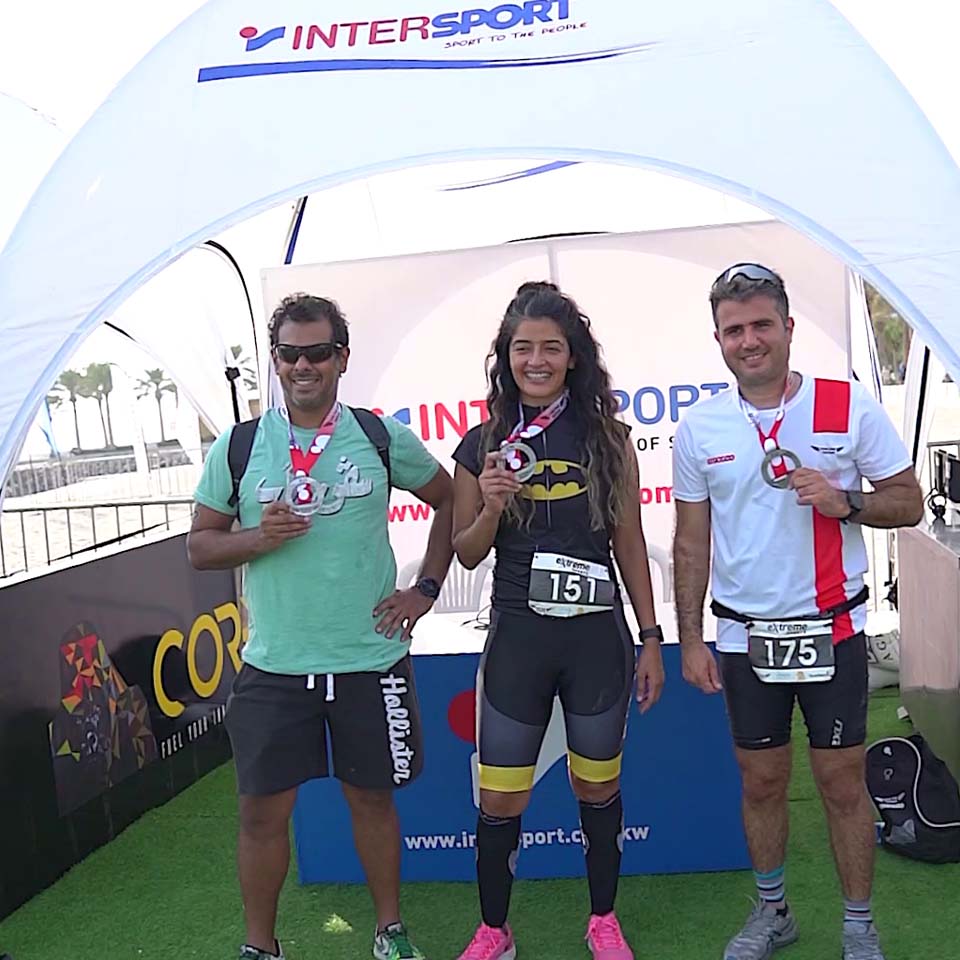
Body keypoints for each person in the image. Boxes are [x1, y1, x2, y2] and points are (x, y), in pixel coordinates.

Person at [187, 293, 454, 960]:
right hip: (276, 664)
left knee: (373, 801)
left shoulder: (379, 436)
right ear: (275, 361)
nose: (303, 365)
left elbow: (449, 498)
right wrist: (258, 537)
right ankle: (260, 946)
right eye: (290, 354)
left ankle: (389, 932)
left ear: (342, 358)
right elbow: (200, 547)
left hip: (368, 658)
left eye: (317, 353)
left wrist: (425, 588)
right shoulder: (241, 446)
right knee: (261, 813)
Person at [672, 263, 923, 960]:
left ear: (788, 327)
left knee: (841, 782)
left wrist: (846, 502)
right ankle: (774, 911)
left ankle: (858, 925)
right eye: (734, 330)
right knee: (762, 781)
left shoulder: (846, 406)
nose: (749, 340)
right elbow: (690, 541)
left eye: (761, 325)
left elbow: (909, 500)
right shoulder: (701, 427)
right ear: (719, 340)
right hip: (743, 635)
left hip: (832, 626)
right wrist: (690, 639)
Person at [451, 281, 665, 960]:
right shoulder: (483, 443)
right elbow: (466, 550)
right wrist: (490, 505)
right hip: (519, 638)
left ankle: (603, 920)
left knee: (596, 785)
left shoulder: (608, 439)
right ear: (505, 357)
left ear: (574, 357)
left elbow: (629, 540)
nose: (536, 360)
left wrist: (652, 637)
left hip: (595, 639)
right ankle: (494, 930)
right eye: (523, 348)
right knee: (500, 796)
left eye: (551, 347)